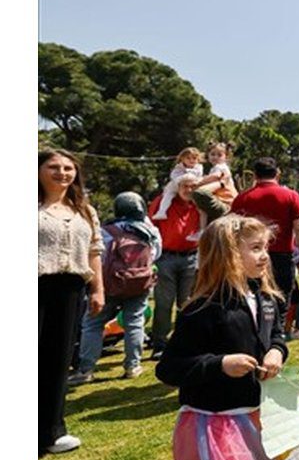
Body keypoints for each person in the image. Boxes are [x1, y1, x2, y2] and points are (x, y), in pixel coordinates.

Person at [155, 215, 288, 460]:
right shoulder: (203, 308)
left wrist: (277, 352)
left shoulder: (266, 299)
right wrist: (221, 364)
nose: (265, 255)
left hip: (260, 414)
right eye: (255, 248)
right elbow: (169, 368)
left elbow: (276, 335)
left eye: (265, 247)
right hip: (220, 422)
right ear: (227, 254)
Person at [39, 149, 106, 455]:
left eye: (68, 168)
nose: (62, 173)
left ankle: (51, 431)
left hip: (70, 289)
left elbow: (95, 251)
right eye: (53, 167)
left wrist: (98, 289)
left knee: (57, 360)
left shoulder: (84, 211)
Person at [69, 192, 162, 384]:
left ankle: (85, 370)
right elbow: (156, 254)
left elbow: (98, 256)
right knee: (134, 322)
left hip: (109, 284)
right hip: (139, 283)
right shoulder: (150, 231)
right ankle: (132, 366)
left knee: (93, 324)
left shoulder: (106, 231)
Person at [230, 157, 299, 324]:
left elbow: (232, 230)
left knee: (252, 299)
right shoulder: (291, 196)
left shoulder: (243, 198)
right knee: (280, 302)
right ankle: (277, 333)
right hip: (282, 256)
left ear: (255, 175)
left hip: (251, 257)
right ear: (277, 173)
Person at [149, 174, 202, 359]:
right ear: (177, 187)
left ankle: (183, 341)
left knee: (187, 302)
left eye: (193, 186)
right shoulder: (163, 201)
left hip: (191, 257)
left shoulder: (201, 203)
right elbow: (150, 226)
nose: (189, 190)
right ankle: (159, 343)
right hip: (166, 257)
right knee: (163, 303)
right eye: (185, 186)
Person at [189, 142, 237, 231]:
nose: (215, 157)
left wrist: (200, 181)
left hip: (226, 200)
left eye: (219, 155)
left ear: (226, 157)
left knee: (201, 201)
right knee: (202, 209)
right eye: (212, 154)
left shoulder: (221, 167)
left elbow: (216, 176)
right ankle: (202, 230)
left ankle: (202, 230)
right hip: (220, 199)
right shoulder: (214, 168)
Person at [153, 147, 205, 222]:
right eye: (188, 158)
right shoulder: (179, 167)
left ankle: (199, 210)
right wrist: (181, 180)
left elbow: (198, 176)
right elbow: (173, 176)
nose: (191, 160)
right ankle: (162, 211)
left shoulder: (199, 167)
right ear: (182, 159)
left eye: (194, 158)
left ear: (198, 159)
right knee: (168, 195)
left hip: (193, 184)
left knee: (198, 195)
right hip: (178, 184)